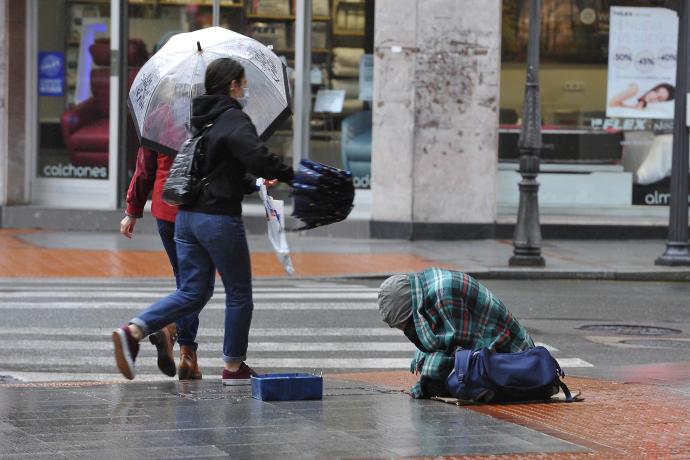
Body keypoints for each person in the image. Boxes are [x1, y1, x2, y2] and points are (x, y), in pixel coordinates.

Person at [112, 57, 294, 385]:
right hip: (217, 219)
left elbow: (218, 170)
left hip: (185, 219)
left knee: (192, 291)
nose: (245, 89)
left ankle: (134, 330)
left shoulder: (197, 119)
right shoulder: (232, 118)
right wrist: (290, 173)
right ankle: (234, 366)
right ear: (232, 85)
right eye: (243, 82)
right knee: (238, 293)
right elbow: (255, 155)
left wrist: (253, 182)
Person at [120, 144, 213, 381]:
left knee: (187, 284)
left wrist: (132, 210)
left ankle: (187, 355)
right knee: (198, 287)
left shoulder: (159, 116)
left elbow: (144, 169)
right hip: (200, 210)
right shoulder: (212, 114)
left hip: (167, 211)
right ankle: (175, 334)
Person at [377, 267, 535, 399]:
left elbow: (462, 352)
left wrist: (424, 384)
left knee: (437, 382)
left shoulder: (444, 293)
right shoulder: (426, 288)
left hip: (514, 360)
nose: (409, 332)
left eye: (408, 325)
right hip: (488, 353)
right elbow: (444, 345)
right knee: (435, 378)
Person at [608, 82, 675, 109]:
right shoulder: (635, 89)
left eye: (659, 99)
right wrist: (632, 108)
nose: (654, 96)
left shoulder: (643, 103)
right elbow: (611, 103)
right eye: (656, 91)